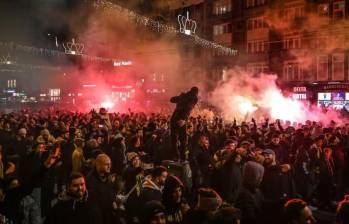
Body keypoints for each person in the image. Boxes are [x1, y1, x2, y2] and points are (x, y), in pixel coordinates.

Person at [170, 86, 199, 161]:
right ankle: (183, 158)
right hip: (181, 119)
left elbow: (172, 99)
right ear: (196, 93)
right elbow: (188, 108)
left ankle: (176, 156)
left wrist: (180, 97)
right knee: (183, 140)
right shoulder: (194, 98)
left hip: (174, 118)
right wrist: (184, 119)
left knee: (174, 139)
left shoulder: (183, 95)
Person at [86, 154, 115, 224]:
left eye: (110, 164)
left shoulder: (107, 175)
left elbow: (110, 191)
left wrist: (113, 200)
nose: (109, 166)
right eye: (106, 164)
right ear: (98, 165)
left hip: (108, 212)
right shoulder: (90, 179)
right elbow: (94, 202)